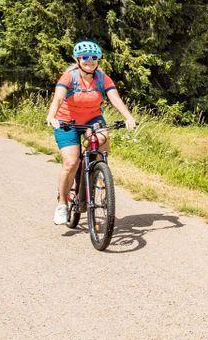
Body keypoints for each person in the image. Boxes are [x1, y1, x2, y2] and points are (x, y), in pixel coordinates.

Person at [44, 40, 138, 225]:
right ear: (78, 59)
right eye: (85, 57)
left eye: (94, 57)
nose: (90, 61)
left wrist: (128, 117)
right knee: (71, 162)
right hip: (66, 122)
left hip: (92, 120)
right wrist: (51, 115)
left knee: (102, 140)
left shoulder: (102, 78)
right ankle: (62, 204)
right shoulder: (69, 77)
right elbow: (59, 97)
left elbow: (114, 98)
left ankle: (96, 173)